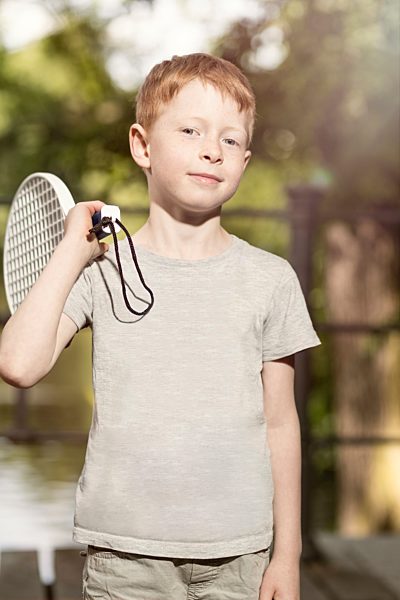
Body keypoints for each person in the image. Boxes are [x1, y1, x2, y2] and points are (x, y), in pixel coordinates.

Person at [0, 53, 321, 600]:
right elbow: (18, 365)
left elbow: (280, 425)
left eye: (229, 139)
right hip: (124, 558)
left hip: (240, 555)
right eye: (191, 129)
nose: (210, 150)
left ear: (244, 161)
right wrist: (68, 255)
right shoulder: (101, 271)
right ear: (142, 145)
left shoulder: (271, 280)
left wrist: (285, 557)